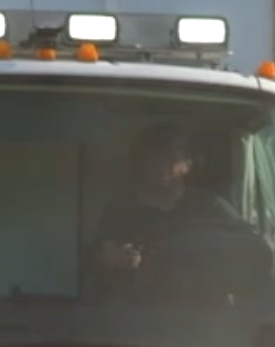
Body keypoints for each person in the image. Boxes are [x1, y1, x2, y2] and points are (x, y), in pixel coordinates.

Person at [89, 119, 265, 304]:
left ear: (188, 164)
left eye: (170, 157)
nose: (161, 166)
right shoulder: (121, 208)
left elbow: (255, 249)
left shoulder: (210, 207)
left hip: (201, 319)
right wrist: (107, 258)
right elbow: (91, 263)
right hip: (135, 317)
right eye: (153, 157)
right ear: (140, 163)